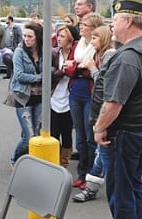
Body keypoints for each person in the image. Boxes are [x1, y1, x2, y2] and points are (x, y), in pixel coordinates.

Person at [93, 0, 142, 218]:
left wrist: (99, 128)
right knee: (133, 185)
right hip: (140, 130)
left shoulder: (128, 56)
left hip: (124, 134)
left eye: (116, 19)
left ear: (129, 21)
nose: (111, 24)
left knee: (121, 194)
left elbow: (114, 103)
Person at [73, 25, 118, 203]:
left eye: (94, 38)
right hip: (96, 104)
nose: (91, 42)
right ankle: (90, 183)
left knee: (101, 150)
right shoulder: (101, 54)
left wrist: (91, 68)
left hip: (103, 107)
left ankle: (93, 187)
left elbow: (103, 82)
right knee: (98, 149)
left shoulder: (109, 54)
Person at [66, 12, 104, 189]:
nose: (80, 27)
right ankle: (81, 173)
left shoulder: (100, 48)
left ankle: (91, 173)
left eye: (84, 25)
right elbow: (68, 68)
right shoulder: (78, 45)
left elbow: (95, 72)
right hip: (75, 92)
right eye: (81, 24)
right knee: (79, 136)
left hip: (90, 94)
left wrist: (78, 67)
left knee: (90, 137)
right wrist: (79, 68)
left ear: (94, 28)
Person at [10, 20, 44, 164]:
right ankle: (15, 159)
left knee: (36, 133)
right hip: (23, 97)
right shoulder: (19, 51)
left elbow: (53, 68)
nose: (27, 39)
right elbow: (19, 75)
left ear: (38, 37)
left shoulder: (44, 51)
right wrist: (40, 77)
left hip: (40, 97)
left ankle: (30, 161)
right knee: (28, 137)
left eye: (30, 36)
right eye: (25, 36)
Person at [50, 25, 79, 168]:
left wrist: (74, 68)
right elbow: (49, 75)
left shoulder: (77, 54)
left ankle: (64, 161)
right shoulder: (54, 53)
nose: (59, 39)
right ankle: (54, 161)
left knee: (67, 132)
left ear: (70, 39)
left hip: (70, 96)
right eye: (58, 35)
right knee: (54, 131)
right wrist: (62, 71)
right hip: (54, 95)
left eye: (62, 36)